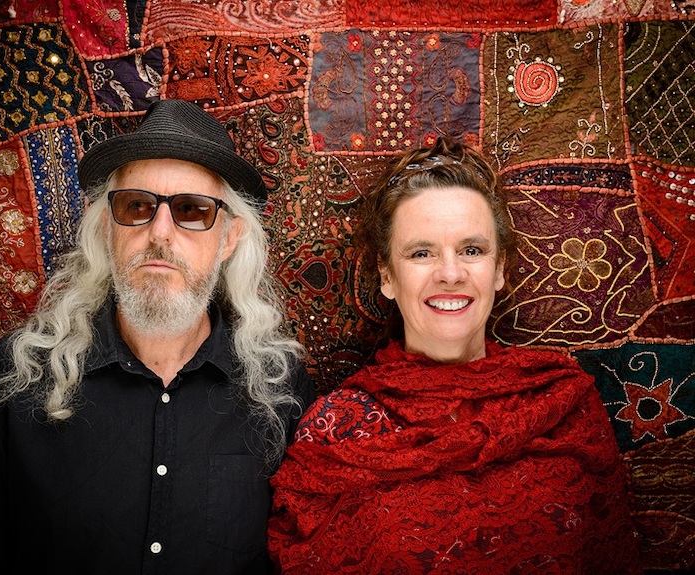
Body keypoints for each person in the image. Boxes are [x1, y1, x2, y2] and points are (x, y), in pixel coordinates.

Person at [0, 99, 314, 575]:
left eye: (192, 210)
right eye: (136, 206)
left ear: (230, 238)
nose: (160, 233)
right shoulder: (11, 382)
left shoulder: (281, 392)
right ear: (106, 227)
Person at [267, 137, 640, 574]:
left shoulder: (564, 405)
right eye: (421, 253)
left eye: (471, 250)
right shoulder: (335, 429)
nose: (450, 273)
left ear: (499, 269)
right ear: (387, 275)